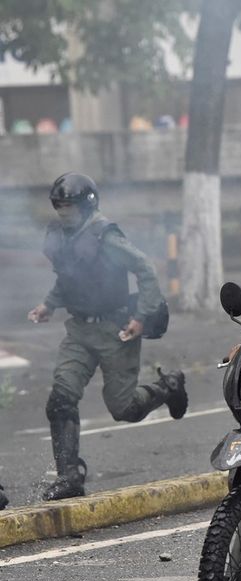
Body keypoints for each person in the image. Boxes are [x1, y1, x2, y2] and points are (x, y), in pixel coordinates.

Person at [28, 173, 186, 501]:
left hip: (116, 330)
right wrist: (49, 305)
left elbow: (145, 269)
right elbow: (68, 277)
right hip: (79, 330)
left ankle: (168, 387)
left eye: (69, 206)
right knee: (60, 398)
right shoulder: (64, 236)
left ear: (87, 205)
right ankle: (69, 476)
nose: (63, 212)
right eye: (59, 206)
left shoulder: (106, 236)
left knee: (123, 408)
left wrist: (141, 316)